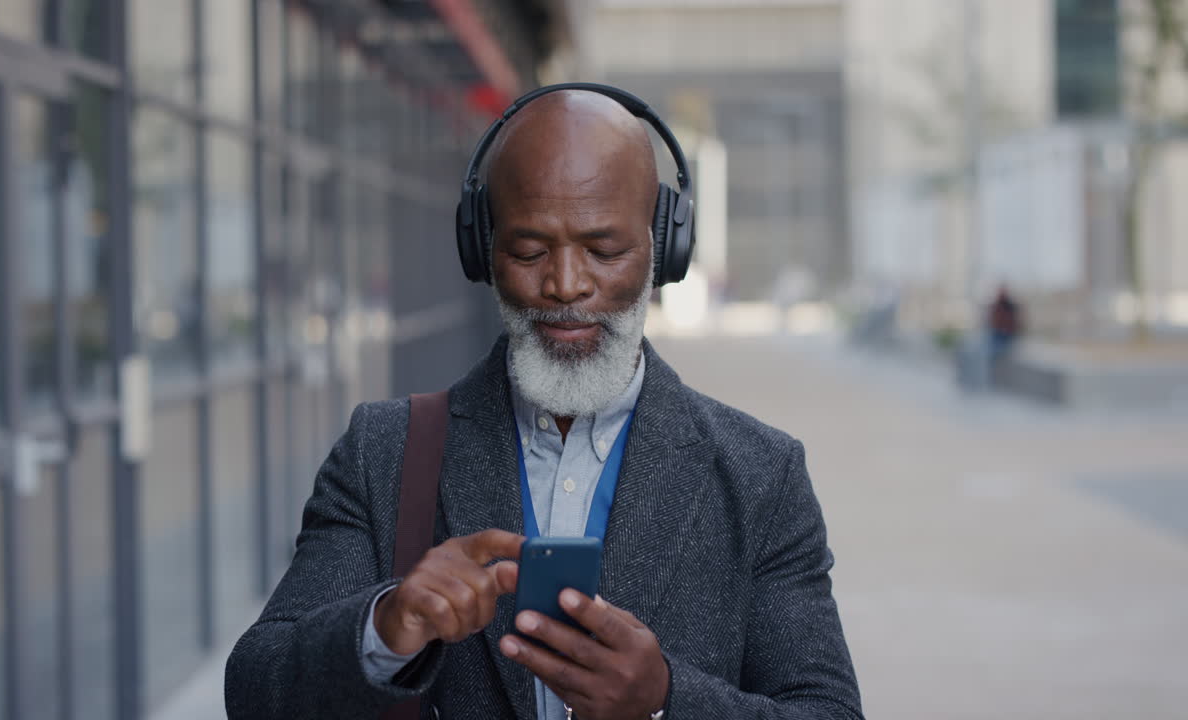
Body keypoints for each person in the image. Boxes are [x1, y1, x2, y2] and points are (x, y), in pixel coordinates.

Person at [224, 85, 862, 720]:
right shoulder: (384, 452)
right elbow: (256, 689)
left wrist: (666, 703)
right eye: (529, 251)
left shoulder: (762, 475)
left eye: (604, 250)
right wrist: (386, 626)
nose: (565, 284)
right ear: (482, 251)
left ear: (665, 248)